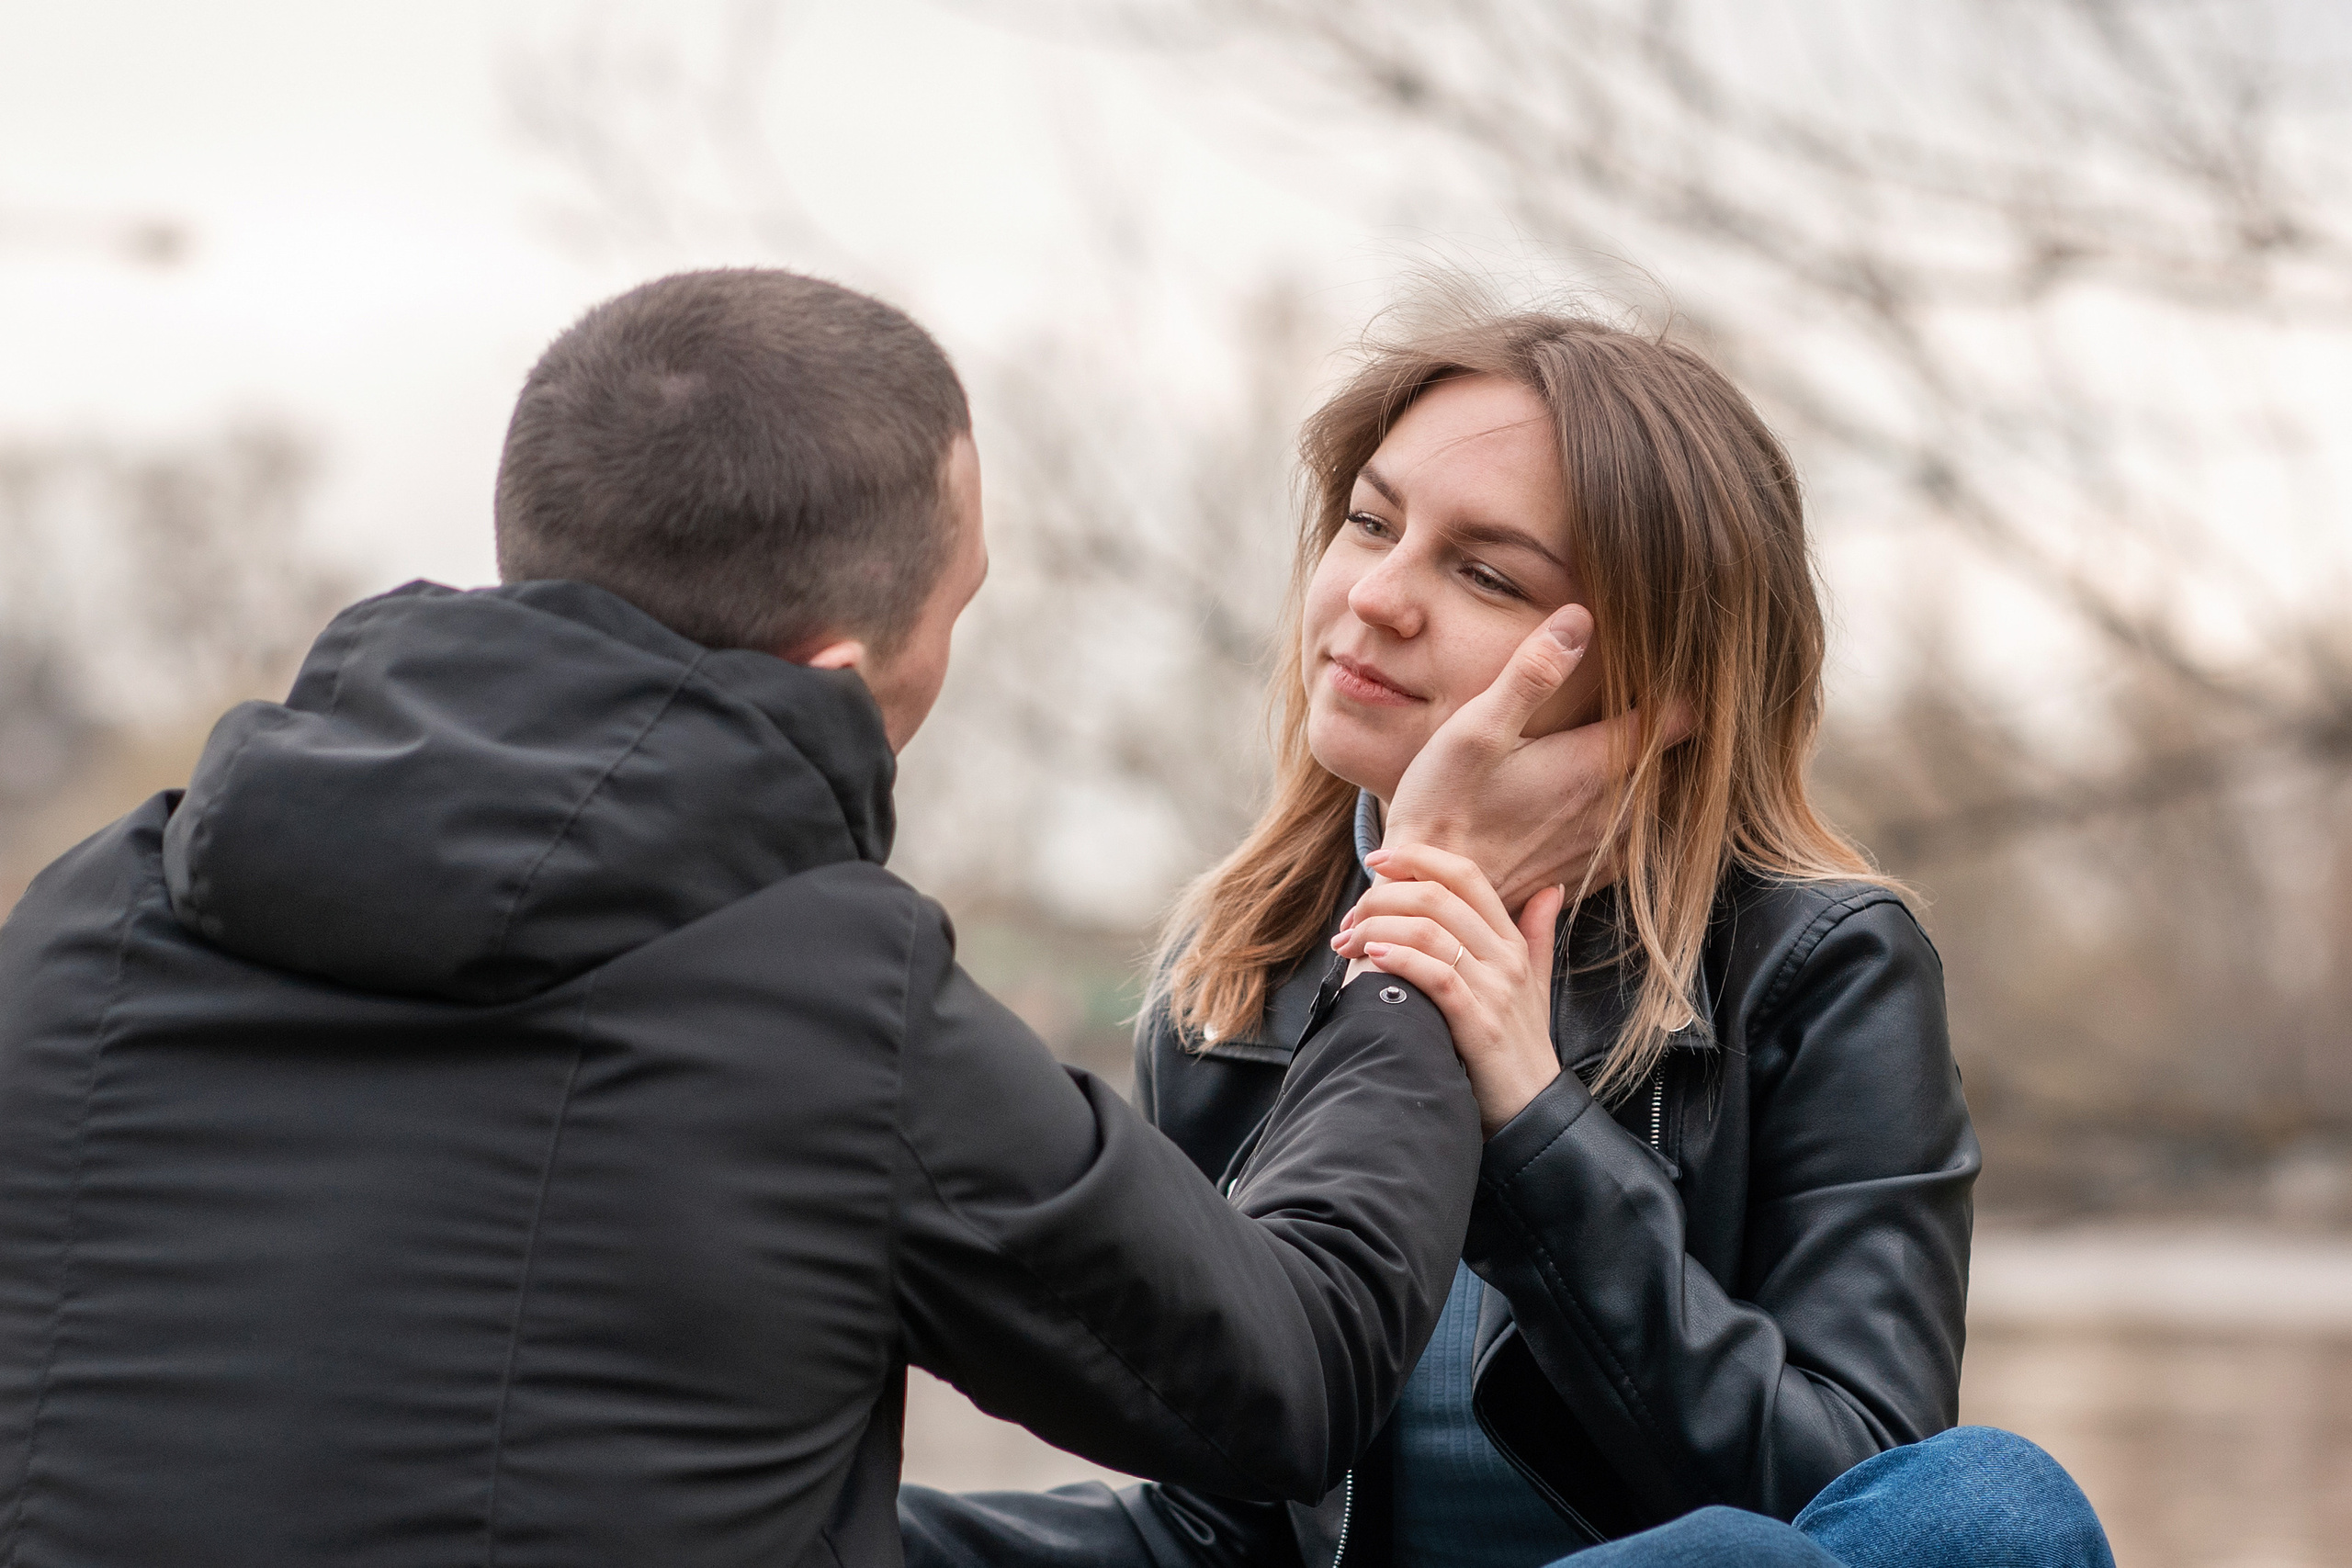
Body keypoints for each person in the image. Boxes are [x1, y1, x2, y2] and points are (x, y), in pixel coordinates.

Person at [0, 269, 1611, 1568]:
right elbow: (1293, 1373)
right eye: (959, 613)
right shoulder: (829, 1004)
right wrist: (1428, 898)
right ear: (840, 677)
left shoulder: (82, 922)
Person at [899, 299, 2116, 1565]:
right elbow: (1227, 1529)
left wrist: (1537, 1129)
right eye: (1370, 522)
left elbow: (1874, 1509)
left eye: (1486, 574)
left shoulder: (1819, 969)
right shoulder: (1238, 970)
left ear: (1660, 682)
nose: (1377, 596)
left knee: (1985, 1505)